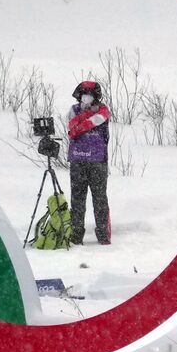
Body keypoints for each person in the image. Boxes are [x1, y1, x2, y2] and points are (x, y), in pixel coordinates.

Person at [67, 80, 111, 245]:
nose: (86, 97)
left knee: (99, 199)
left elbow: (78, 128)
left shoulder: (103, 112)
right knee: (77, 199)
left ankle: (103, 235)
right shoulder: (74, 110)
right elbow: (72, 129)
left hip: (96, 161)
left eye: (89, 94)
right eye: (84, 94)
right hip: (80, 160)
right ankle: (76, 235)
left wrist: (84, 119)